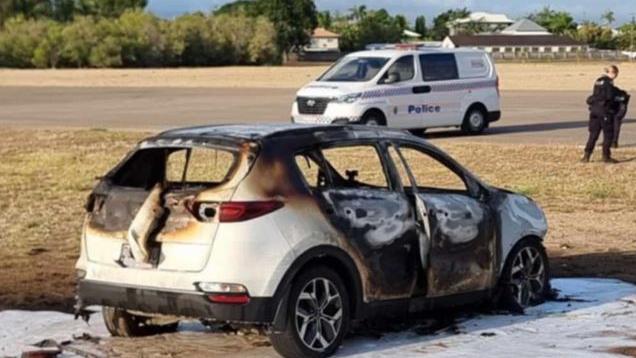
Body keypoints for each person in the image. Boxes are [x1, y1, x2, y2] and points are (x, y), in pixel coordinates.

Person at [582, 65, 620, 163]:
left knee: (593, 134)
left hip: (594, 110)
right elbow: (610, 97)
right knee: (608, 134)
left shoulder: (598, 81)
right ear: (613, 73)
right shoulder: (608, 83)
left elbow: (595, 95)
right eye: (616, 74)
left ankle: (586, 155)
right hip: (604, 111)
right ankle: (606, 156)